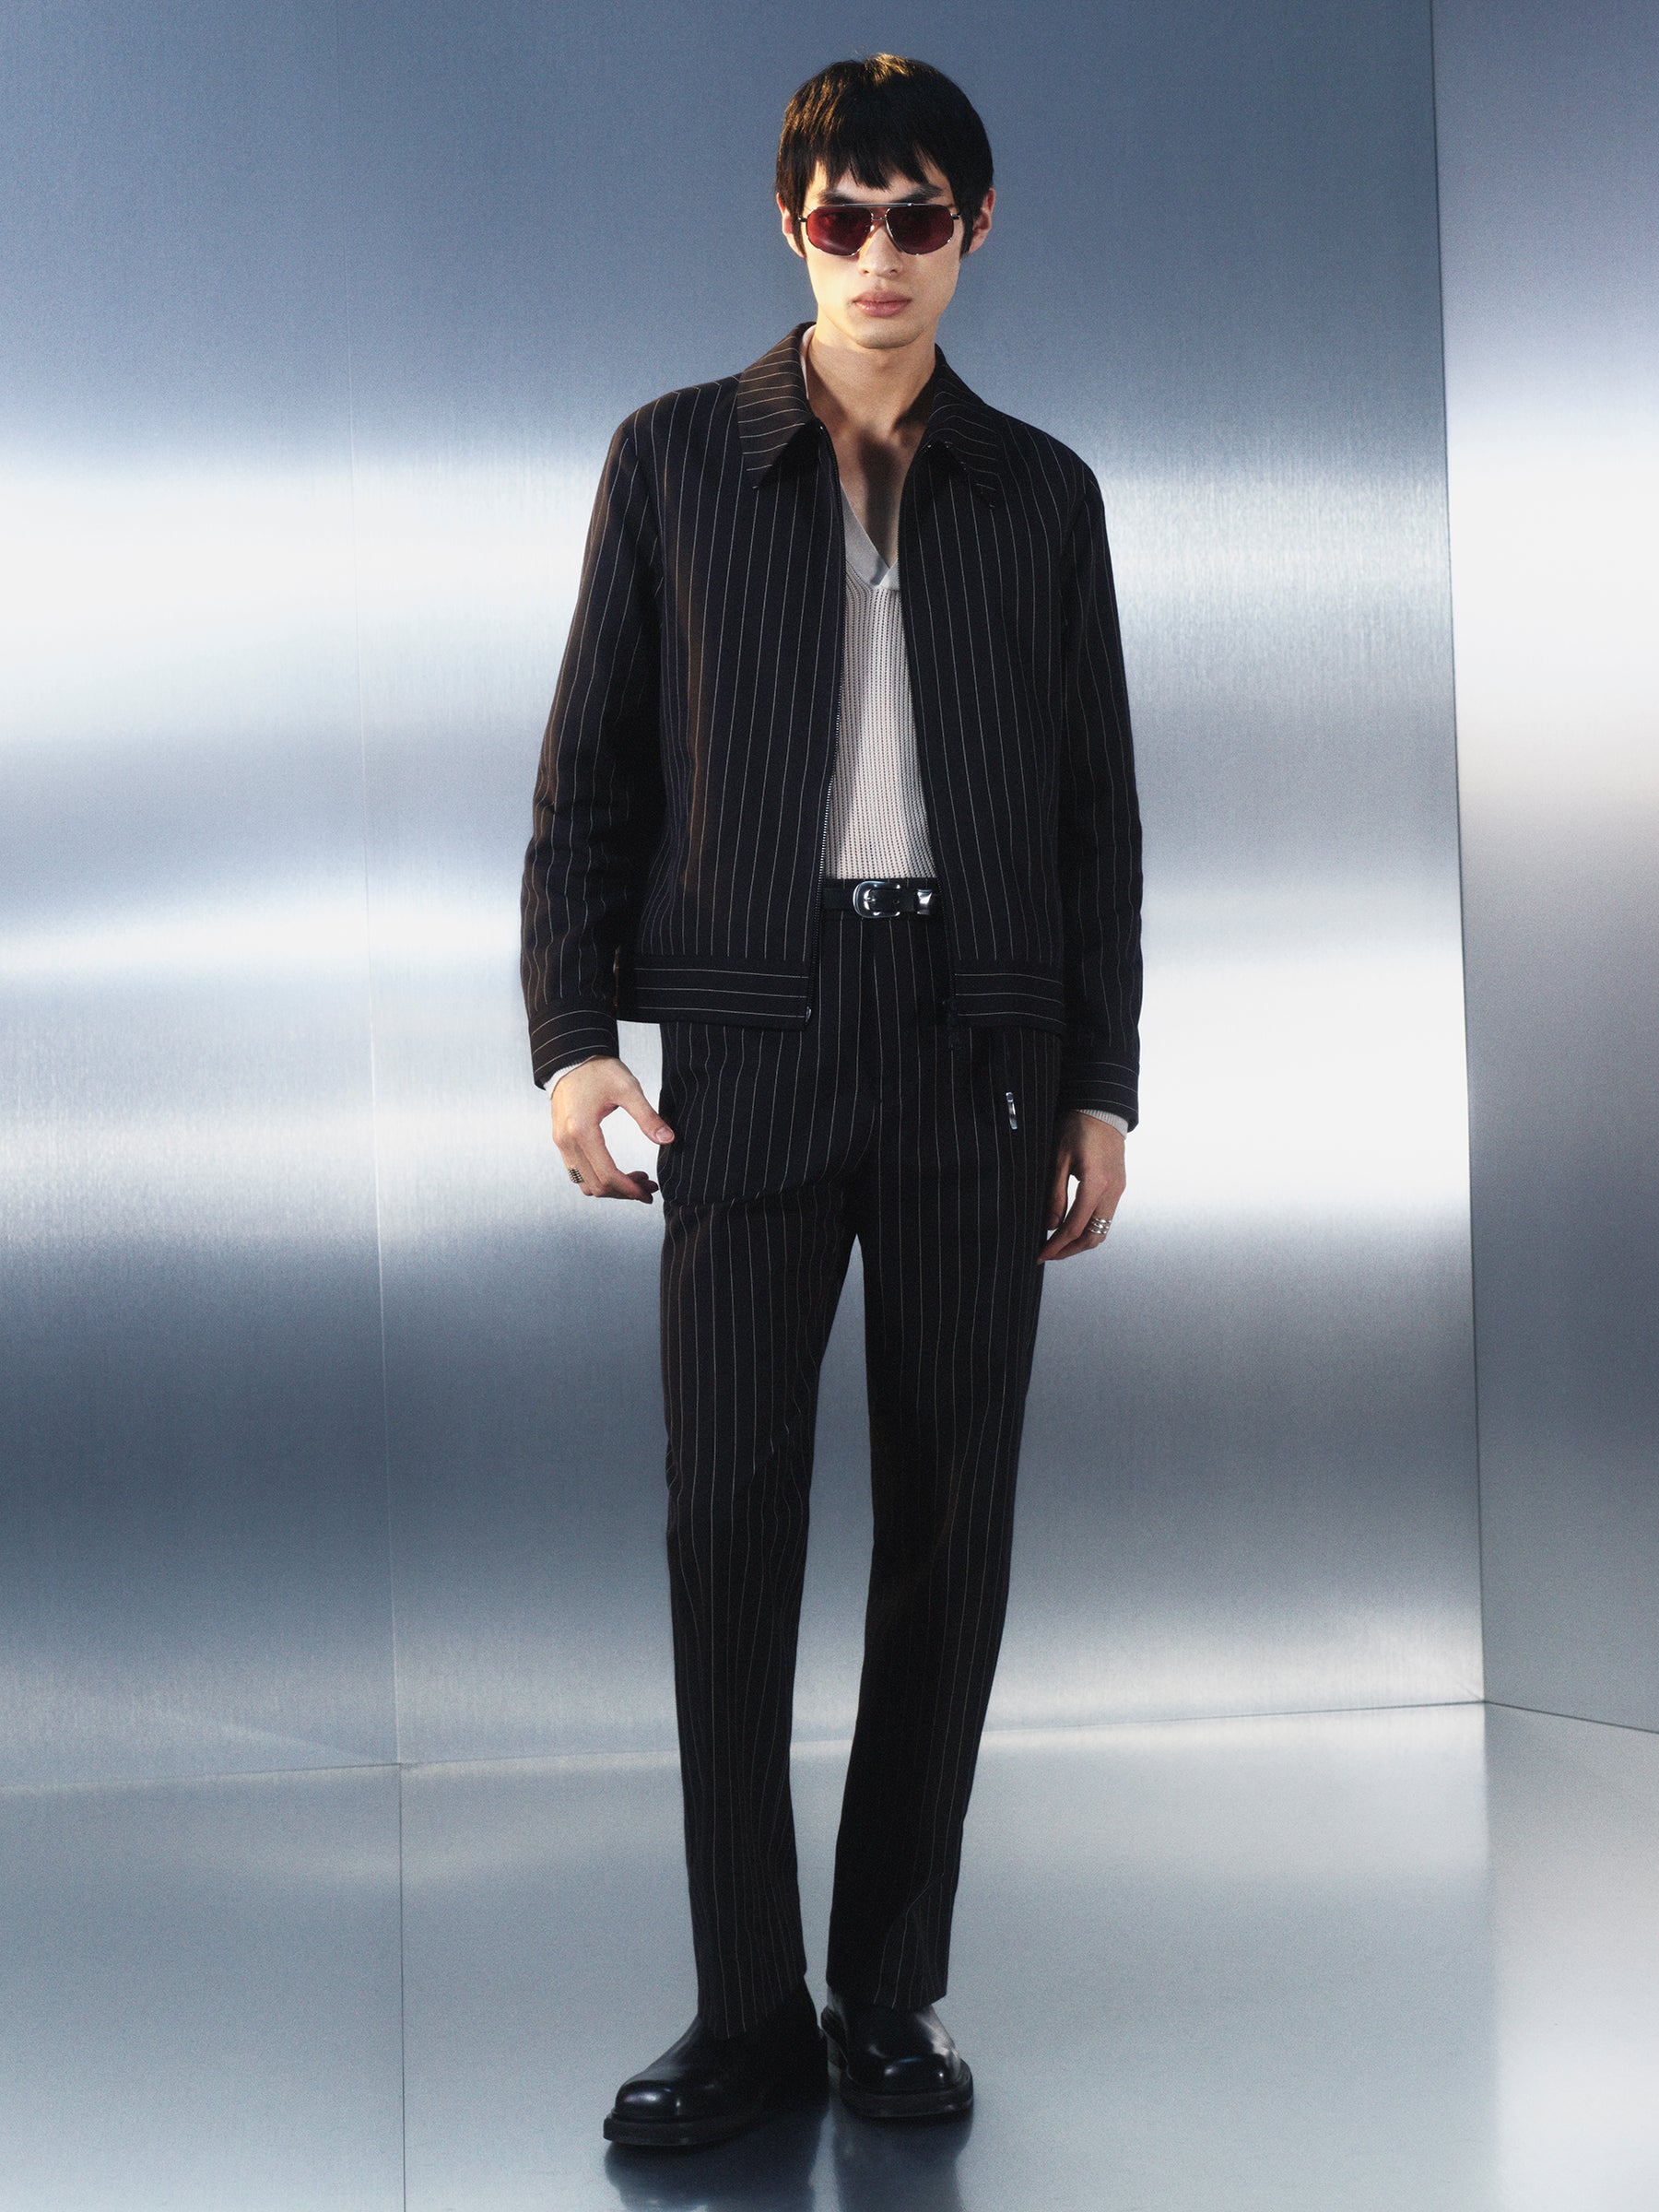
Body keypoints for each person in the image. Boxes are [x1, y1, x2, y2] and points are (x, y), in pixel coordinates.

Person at [521, 53, 1143, 2150]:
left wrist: (1099, 1081)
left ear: (977, 230)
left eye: (919, 216)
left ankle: (887, 1996)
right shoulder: (676, 461)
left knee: (954, 1529)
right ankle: (742, 2010)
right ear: (789, 227)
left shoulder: (1041, 495)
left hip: (979, 1046)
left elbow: (1096, 816)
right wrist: (576, 1039)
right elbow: (589, 781)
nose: (880, 254)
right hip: (754, 1047)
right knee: (730, 1527)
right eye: (841, 218)